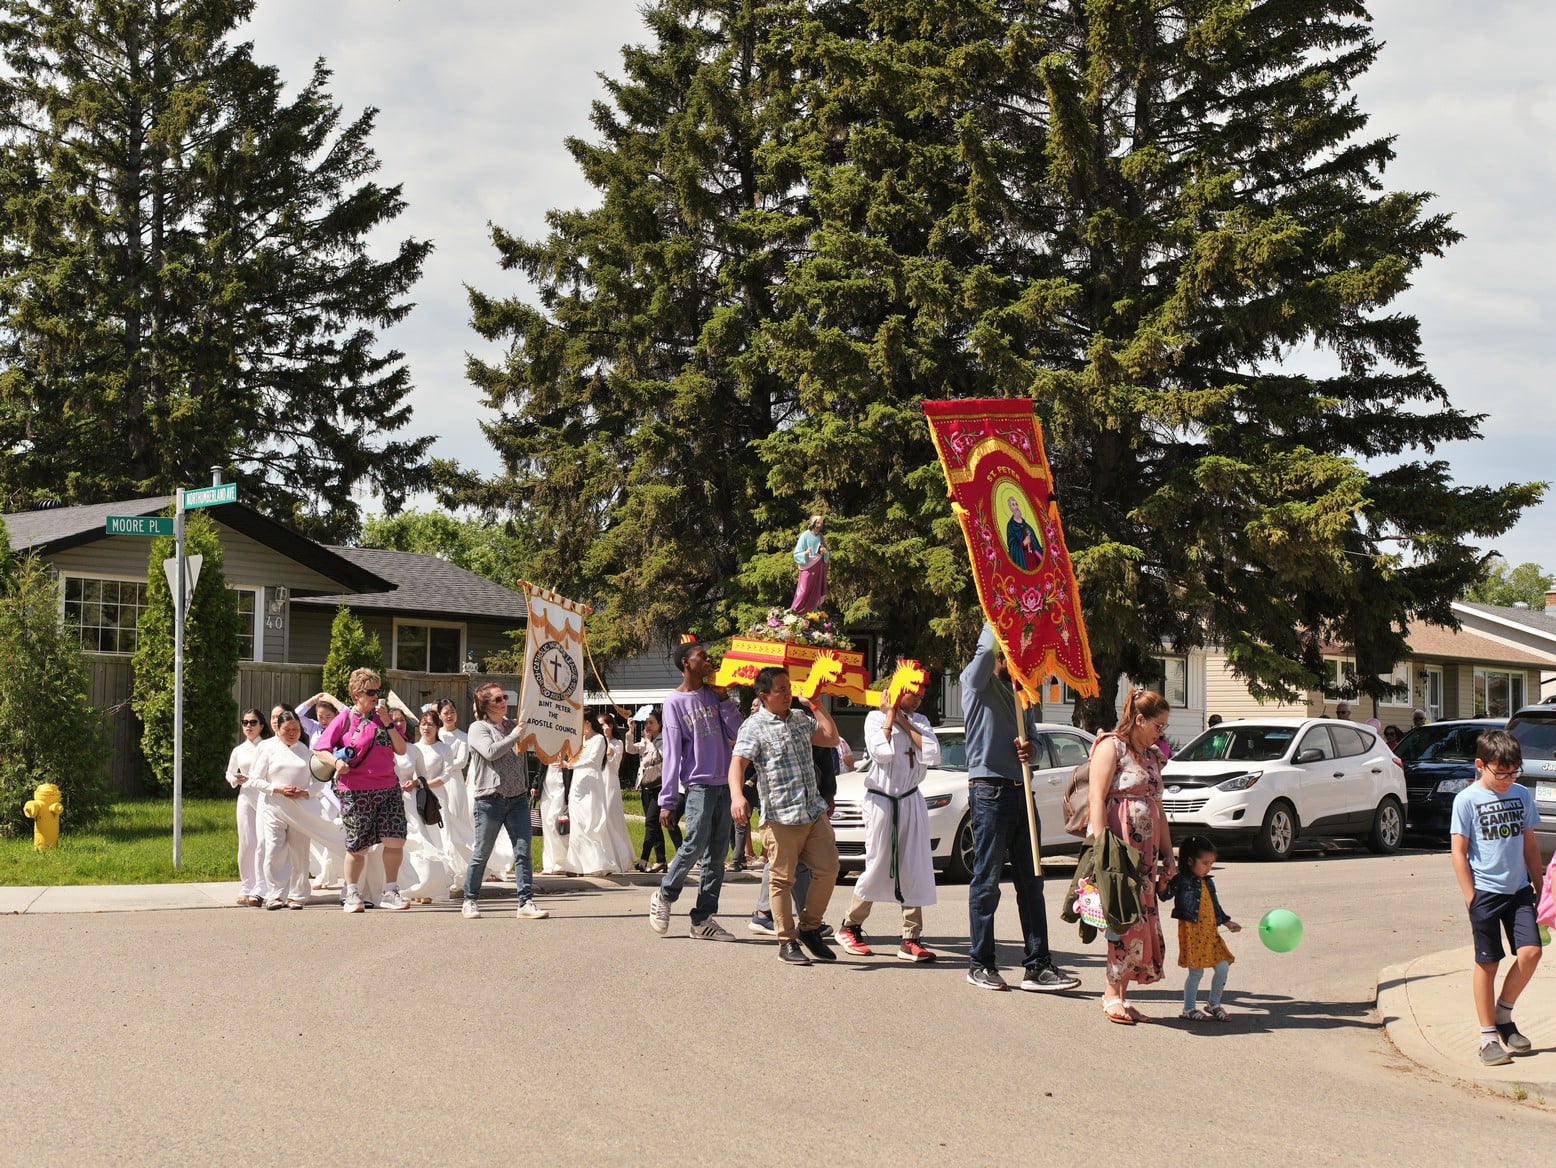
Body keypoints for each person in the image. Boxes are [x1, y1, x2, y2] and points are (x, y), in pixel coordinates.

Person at [961, 623, 1081, 993]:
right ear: (1003, 653)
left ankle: (1038, 964)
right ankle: (981, 962)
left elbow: (1038, 745)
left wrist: (1032, 749)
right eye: (1016, 656)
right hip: (989, 791)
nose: (1024, 664)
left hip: (1022, 790)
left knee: (1032, 882)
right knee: (987, 881)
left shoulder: (1024, 694)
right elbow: (983, 652)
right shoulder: (976, 682)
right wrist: (996, 613)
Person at [730, 667, 842, 964]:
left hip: (812, 812)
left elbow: (831, 739)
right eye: (780, 689)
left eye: (788, 687)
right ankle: (786, 940)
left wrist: (816, 705)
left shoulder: (799, 718)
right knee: (782, 880)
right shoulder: (753, 726)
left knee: (829, 869)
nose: (788, 692)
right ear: (763, 696)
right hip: (780, 817)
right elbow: (738, 763)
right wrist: (737, 796)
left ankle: (809, 927)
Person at [1450, 729, 1543, 1066]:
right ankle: (1487, 1037)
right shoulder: (1467, 800)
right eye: (1500, 772)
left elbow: (1530, 845)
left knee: (1531, 953)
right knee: (1487, 963)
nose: (1508, 778)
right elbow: (1458, 852)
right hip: (1485, 894)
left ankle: (1504, 1015)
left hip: (1519, 891)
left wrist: (1541, 886)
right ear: (1480, 765)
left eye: (1513, 771)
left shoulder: (1521, 795)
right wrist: (1470, 896)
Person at [1087, 688, 1176, 1023]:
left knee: (1140, 921)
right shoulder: (1112, 747)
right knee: (1123, 920)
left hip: (1146, 856)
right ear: (1139, 719)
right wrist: (1101, 848)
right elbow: (1097, 798)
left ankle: (1121, 994)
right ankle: (1111, 994)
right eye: (1158, 725)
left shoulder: (1152, 755)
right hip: (1119, 849)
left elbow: (1158, 807)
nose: (1161, 732)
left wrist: (1169, 855)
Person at [836, 684, 940, 962]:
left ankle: (911, 937)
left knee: (913, 865)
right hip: (883, 800)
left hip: (910, 800)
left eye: (921, 695)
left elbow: (931, 752)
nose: (918, 700)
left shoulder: (921, 721)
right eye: (913, 694)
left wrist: (903, 721)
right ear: (897, 692)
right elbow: (881, 753)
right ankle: (850, 925)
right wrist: (889, 717)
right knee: (880, 862)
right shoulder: (874, 718)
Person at [649, 641, 744, 940]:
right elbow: (673, 752)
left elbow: (740, 734)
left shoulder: (715, 694)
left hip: (724, 784)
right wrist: (667, 800)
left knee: (717, 854)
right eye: (701, 657)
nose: (708, 661)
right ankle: (664, 895)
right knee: (693, 845)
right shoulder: (674, 702)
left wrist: (726, 700)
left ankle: (702, 920)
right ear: (686, 664)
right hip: (699, 784)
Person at [313, 668, 412, 913]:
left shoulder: (384, 718)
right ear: (357, 694)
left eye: (379, 691)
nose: (376, 696)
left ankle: (390, 891)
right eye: (371, 692)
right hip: (355, 789)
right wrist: (337, 763)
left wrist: (388, 722)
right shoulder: (345, 718)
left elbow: (401, 749)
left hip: (388, 787)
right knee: (358, 846)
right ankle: (352, 893)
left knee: (395, 840)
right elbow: (320, 748)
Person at [463, 682, 548, 920]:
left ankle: (526, 902)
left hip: (517, 798)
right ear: (486, 705)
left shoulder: (513, 725)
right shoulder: (478, 728)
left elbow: (536, 731)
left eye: (504, 698)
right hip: (490, 800)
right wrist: (514, 736)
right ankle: (470, 899)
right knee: (482, 852)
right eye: (498, 699)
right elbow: (491, 752)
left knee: (523, 851)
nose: (504, 702)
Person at [250, 707, 320, 910]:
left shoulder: (307, 753)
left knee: (300, 852)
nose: (291, 733)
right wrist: (275, 788)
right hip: (274, 807)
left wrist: (305, 792)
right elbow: (255, 779)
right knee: (274, 851)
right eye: (287, 729)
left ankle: (297, 894)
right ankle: (275, 894)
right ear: (278, 729)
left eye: (295, 729)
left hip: (300, 809)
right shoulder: (268, 750)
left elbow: (319, 783)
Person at [1169, 836, 1241, 1021]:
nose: (1209, 867)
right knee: (1196, 972)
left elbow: (1215, 905)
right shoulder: (1181, 880)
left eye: (1211, 863)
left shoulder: (1208, 882)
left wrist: (1226, 921)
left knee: (1223, 967)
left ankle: (1213, 1003)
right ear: (1190, 860)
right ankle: (1189, 1009)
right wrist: (1163, 883)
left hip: (1210, 934)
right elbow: (1164, 895)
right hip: (1193, 935)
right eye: (1205, 863)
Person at [564, 713, 624, 876]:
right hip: (578, 783)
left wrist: (570, 764)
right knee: (577, 823)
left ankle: (597, 862)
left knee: (591, 822)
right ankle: (575, 865)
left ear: (587, 723)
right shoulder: (579, 740)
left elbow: (592, 760)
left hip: (591, 784)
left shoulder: (599, 739)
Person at [226, 708, 270, 907]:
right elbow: (229, 772)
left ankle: (263, 886)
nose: (248, 726)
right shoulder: (239, 750)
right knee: (246, 842)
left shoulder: (268, 746)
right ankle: (246, 886)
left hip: (263, 797)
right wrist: (235, 779)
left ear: (261, 725)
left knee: (263, 842)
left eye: (253, 722)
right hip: (245, 797)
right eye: (245, 722)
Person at [626, 711, 677, 872]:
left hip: (659, 786)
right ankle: (661, 859)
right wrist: (630, 732)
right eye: (646, 723)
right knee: (655, 824)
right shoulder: (646, 740)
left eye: (651, 722)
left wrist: (648, 742)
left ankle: (644, 859)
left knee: (650, 822)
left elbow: (659, 757)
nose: (648, 726)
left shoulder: (663, 740)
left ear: (659, 724)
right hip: (645, 785)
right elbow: (630, 749)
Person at [598, 714, 637, 872]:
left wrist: (607, 739)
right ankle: (605, 857)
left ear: (610, 725)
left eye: (603, 725)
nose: (602, 728)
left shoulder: (617, 743)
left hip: (611, 782)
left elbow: (612, 763)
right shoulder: (597, 742)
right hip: (600, 781)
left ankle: (620, 856)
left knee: (612, 818)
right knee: (601, 820)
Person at [789, 514, 829, 613]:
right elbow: (797, 554)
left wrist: (825, 552)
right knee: (803, 590)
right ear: (813, 523)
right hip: (807, 567)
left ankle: (812, 615)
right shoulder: (805, 535)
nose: (820, 525)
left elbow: (826, 555)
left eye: (821, 523)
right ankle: (796, 612)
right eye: (818, 522)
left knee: (816, 591)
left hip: (818, 568)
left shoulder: (821, 537)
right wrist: (806, 553)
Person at [1003, 495, 1042, 570]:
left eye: (1016, 504)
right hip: (1023, 559)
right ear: (1010, 508)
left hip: (1034, 557)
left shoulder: (1025, 524)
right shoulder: (1011, 526)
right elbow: (1012, 544)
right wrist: (1023, 543)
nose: (1016, 506)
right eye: (1013, 505)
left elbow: (1034, 540)